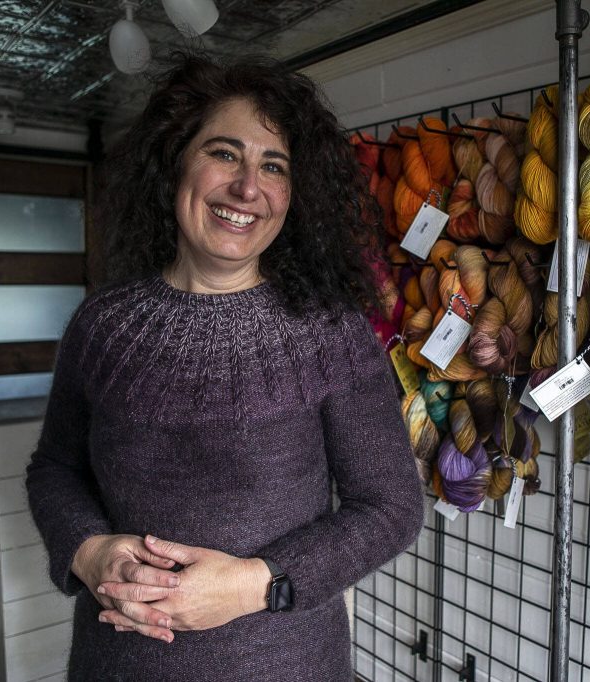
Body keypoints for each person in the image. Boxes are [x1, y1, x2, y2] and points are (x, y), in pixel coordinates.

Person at [25, 53, 425, 681]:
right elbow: (55, 468)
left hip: (289, 667)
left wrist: (251, 585)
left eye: (273, 166)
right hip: (117, 666)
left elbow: (390, 506)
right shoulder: (103, 326)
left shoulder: (328, 330)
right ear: (175, 161)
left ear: (295, 195)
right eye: (224, 153)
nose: (247, 188)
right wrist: (88, 549)